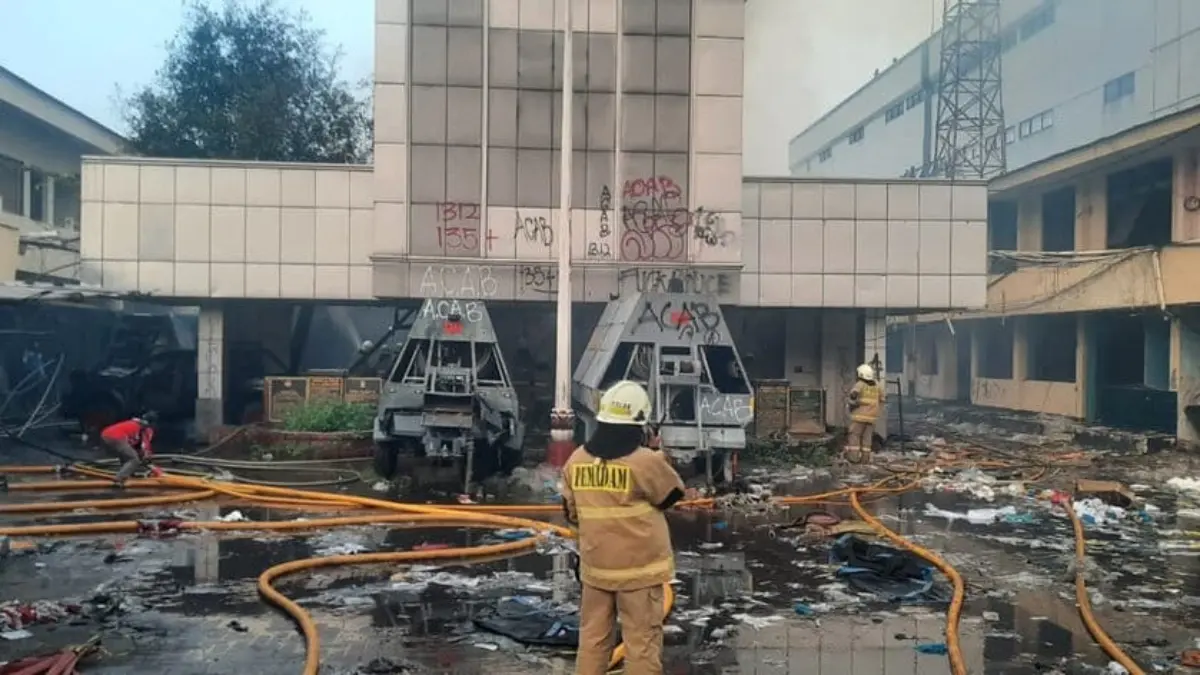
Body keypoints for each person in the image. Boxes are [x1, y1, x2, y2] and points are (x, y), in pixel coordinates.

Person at [561, 380, 687, 675]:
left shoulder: (576, 460)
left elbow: (571, 512)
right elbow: (671, 496)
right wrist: (659, 455)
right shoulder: (644, 462)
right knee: (641, 644)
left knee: (593, 640)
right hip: (639, 573)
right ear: (639, 423)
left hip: (595, 570)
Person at [100, 411, 160, 487]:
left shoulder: (135, 423)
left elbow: (137, 445)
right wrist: (148, 459)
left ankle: (128, 474)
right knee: (134, 459)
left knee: (126, 455)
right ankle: (119, 480)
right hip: (117, 437)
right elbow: (145, 446)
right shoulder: (145, 429)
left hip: (106, 434)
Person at [845, 364, 883, 463]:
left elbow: (853, 395)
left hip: (859, 416)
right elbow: (882, 399)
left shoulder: (860, 384)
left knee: (854, 436)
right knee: (867, 439)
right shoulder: (878, 385)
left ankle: (854, 458)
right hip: (872, 417)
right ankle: (865, 459)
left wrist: (853, 403)